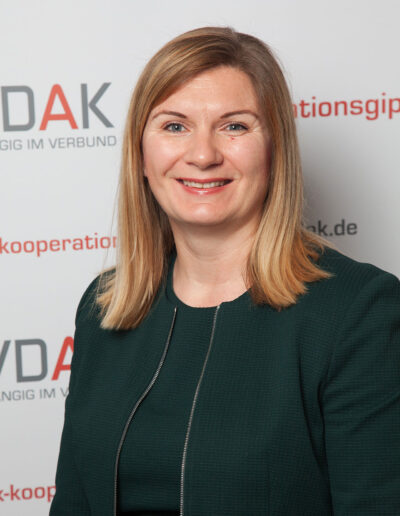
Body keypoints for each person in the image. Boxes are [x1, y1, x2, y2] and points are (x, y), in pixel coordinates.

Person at [49, 26, 400, 516]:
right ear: (141, 156)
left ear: (275, 150)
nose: (202, 155)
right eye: (175, 126)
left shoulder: (359, 312)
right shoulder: (103, 306)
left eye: (234, 126)